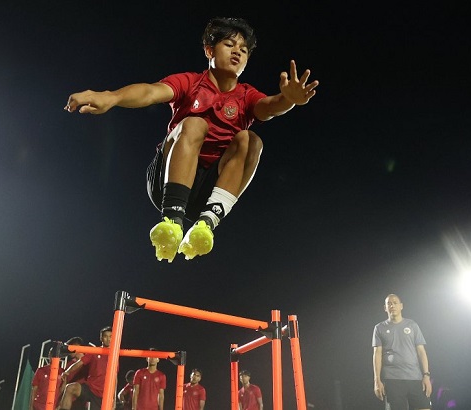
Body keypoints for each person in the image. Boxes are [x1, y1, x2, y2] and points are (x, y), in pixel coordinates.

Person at [64, 17, 318, 262]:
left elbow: (270, 106)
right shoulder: (190, 83)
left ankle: (206, 224)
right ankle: (172, 220)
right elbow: (150, 91)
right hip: (168, 181)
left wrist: (289, 100)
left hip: (208, 190)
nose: (237, 52)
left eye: (243, 50)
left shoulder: (246, 97)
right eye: (229, 44)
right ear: (209, 50)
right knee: (195, 123)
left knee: (251, 140)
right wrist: (112, 97)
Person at [372, 294, 432, 410]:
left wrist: (426, 375)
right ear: (385, 308)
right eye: (388, 303)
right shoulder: (379, 328)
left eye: (395, 302)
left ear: (401, 306)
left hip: (415, 378)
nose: (392, 305)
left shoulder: (412, 325)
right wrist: (377, 380)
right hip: (392, 379)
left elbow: (421, 351)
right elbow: (377, 354)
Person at [58, 327, 113, 410]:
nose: (108, 339)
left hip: (103, 394)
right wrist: (67, 372)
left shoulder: (114, 356)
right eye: (105, 336)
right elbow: (80, 362)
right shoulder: (94, 351)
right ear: (101, 338)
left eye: (110, 336)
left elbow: (114, 378)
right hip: (90, 388)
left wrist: (113, 398)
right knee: (70, 388)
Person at [31, 337, 84, 410]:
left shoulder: (88, 361)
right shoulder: (68, 366)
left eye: (70, 348)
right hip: (67, 402)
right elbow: (34, 389)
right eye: (52, 354)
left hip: (82, 399)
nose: (68, 351)